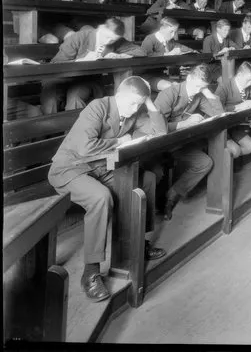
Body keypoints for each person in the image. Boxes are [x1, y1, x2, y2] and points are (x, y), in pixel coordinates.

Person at [48, 76, 168, 302]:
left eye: (138, 105)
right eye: (132, 103)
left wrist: (149, 103)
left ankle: (138, 242)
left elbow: (161, 132)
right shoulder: (98, 107)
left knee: (147, 179)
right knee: (101, 198)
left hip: (102, 169)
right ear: (119, 95)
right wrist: (120, 141)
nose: (134, 109)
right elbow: (84, 148)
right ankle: (91, 272)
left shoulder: (132, 111)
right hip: (71, 168)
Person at [153, 64, 224, 220]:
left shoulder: (199, 94)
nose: (198, 90)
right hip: (161, 144)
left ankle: (171, 195)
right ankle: (160, 202)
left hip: (182, 142)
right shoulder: (169, 93)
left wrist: (208, 93)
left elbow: (219, 114)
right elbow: (156, 127)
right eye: (197, 85)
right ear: (189, 78)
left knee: (205, 163)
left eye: (202, 87)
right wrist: (185, 123)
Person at [40, 18, 145, 115]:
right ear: (101, 28)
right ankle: (50, 132)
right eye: (107, 37)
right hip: (60, 78)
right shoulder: (79, 37)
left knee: (75, 98)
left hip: (87, 80)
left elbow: (141, 51)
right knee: (51, 99)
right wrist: (82, 60)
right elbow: (56, 64)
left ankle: (77, 132)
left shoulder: (117, 42)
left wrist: (119, 56)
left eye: (112, 40)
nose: (108, 41)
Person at [215, 61, 251, 159]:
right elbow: (216, 109)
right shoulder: (224, 86)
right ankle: (223, 163)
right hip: (221, 128)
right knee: (235, 150)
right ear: (239, 75)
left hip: (235, 126)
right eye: (248, 80)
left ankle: (229, 161)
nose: (250, 83)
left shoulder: (248, 86)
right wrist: (236, 107)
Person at [141, 17, 197, 91]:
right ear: (162, 29)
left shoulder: (170, 41)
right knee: (169, 87)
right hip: (147, 76)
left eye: (175, 32)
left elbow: (181, 47)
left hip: (162, 75)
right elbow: (145, 56)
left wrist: (193, 51)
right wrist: (167, 54)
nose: (173, 35)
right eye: (171, 32)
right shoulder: (150, 39)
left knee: (180, 86)